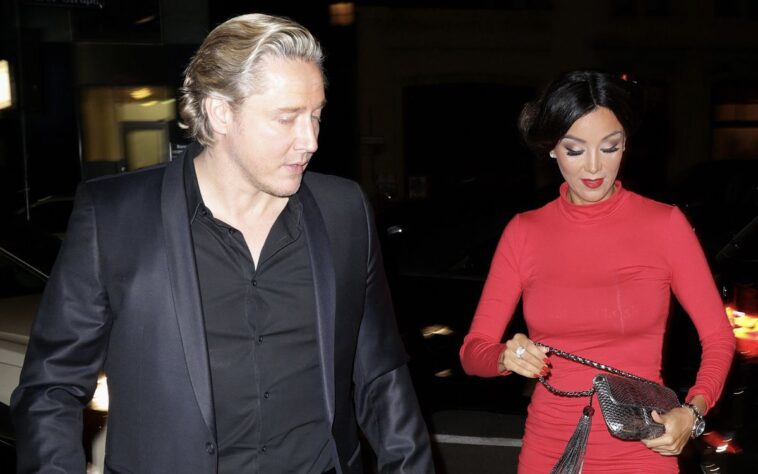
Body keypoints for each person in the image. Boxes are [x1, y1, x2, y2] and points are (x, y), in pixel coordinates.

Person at [11, 13, 433, 474]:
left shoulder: (344, 211)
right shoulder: (115, 217)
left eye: (316, 115)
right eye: (286, 118)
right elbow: (50, 388)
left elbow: (381, 376)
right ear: (220, 112)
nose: (310, 140)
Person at [459, 70, 735, 473]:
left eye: (610, 147)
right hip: (549, 450)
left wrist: (692, 412)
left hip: (644, 447)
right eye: (574, 150)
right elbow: (472, 352)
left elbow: (718, 337)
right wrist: (505, 356)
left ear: (625, 144)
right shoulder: (524, 232)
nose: (593, 166)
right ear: (551, 149)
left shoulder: (665, 225)